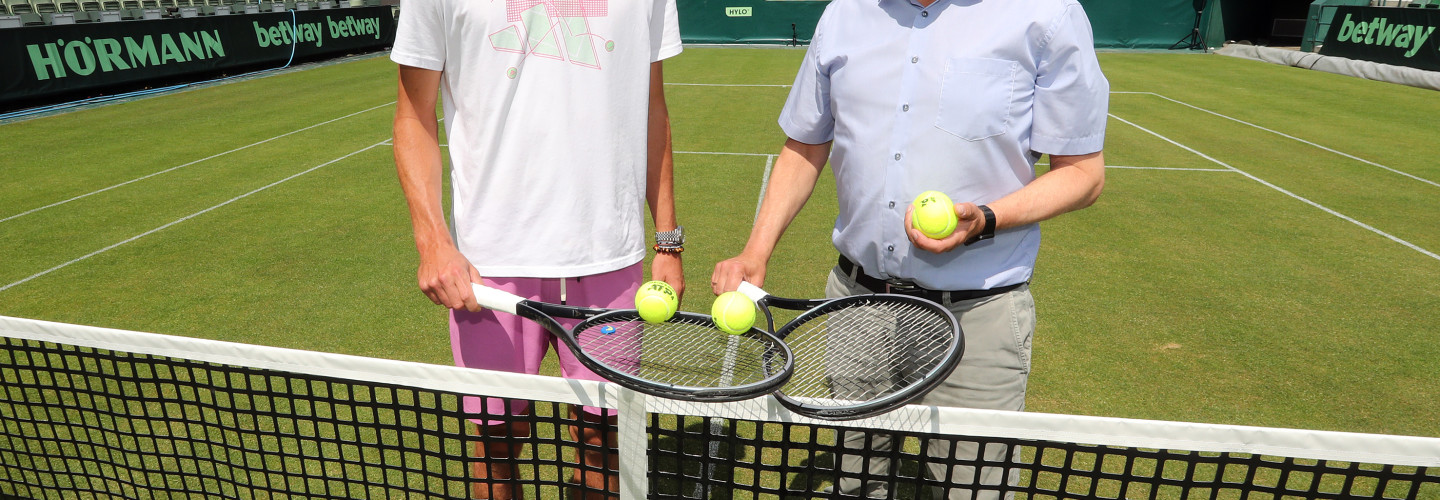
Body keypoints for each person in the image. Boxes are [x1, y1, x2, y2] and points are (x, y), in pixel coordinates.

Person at [711, 0, 1108, 498]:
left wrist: (986, 218)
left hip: (975, 317)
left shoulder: (1046, 15)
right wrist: (756, 250)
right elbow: (805, 145)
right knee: (857, 483)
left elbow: (1083, 174)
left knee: (973, 489)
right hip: (857, 307)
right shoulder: (844, 14)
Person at [390, 1, 685, 499]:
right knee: (496, 441)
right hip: (488, 268)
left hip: (610, 256)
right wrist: (433, 242)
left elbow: (652, 105)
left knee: (603, 436)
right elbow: (412, 114)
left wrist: (668, 241)